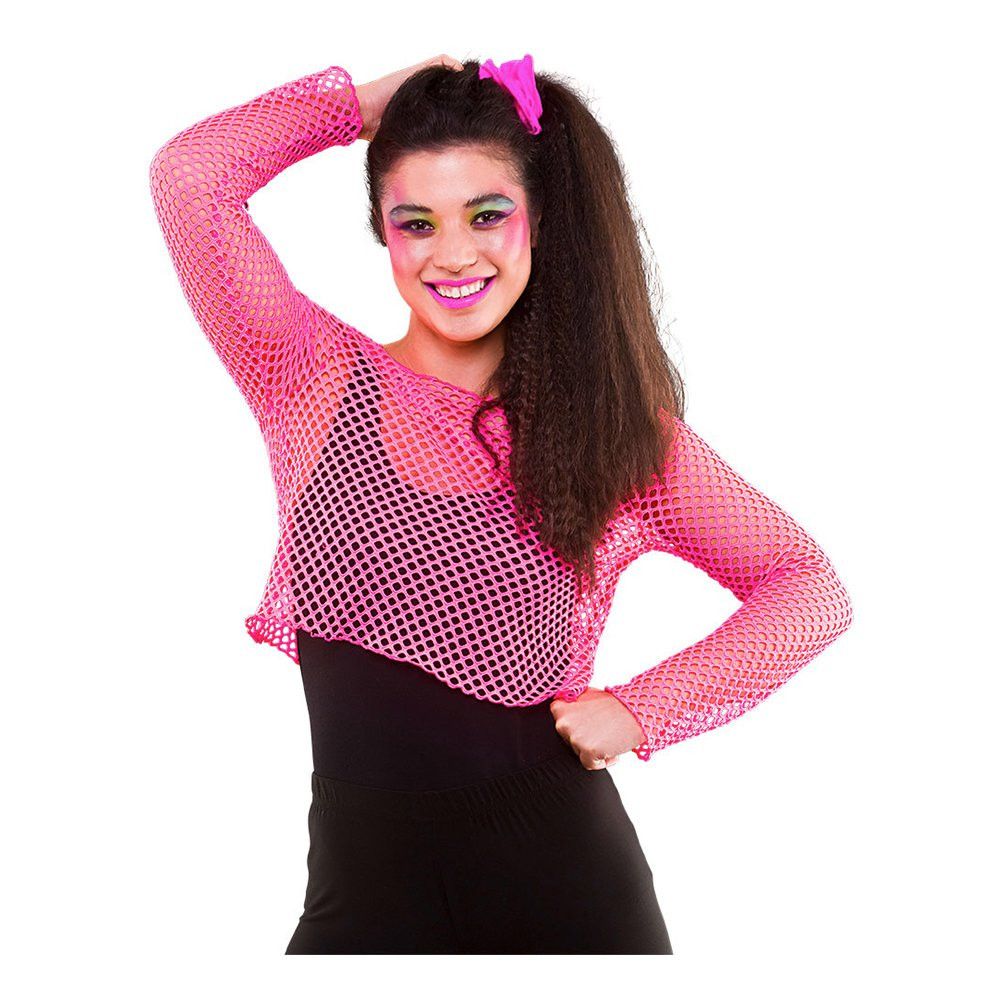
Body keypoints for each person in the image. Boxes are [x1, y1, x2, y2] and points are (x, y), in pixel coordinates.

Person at [148, 53, 853, 955]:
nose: (452, 254)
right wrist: (365, 106)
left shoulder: (611, 430)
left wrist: (641, 709)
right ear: (382, 231)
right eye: (416, 222)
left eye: (488, 215)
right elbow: (191, 175)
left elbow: (806, 586)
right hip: (360, 900)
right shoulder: (308, 374)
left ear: (540, 220)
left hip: (564, 890)